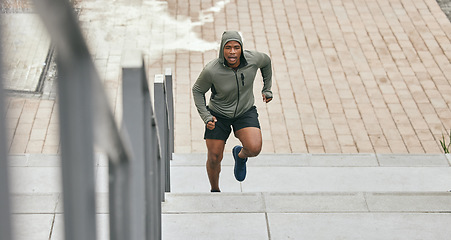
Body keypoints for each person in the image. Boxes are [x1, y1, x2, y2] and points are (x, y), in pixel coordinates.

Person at [192, 30, 273, 192]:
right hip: (218, 115)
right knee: (214, 158)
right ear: (222, 49)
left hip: (245, 111)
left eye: (236, 47)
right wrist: (206, 117)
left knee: (254, 148)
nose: (232, 52)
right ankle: (215, 190)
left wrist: (267, 88)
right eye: (228, 47)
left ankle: (240, 156)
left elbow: (266, 62)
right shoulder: (211, 70)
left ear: (242, 48)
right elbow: (197, 90)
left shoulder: (253, 59)